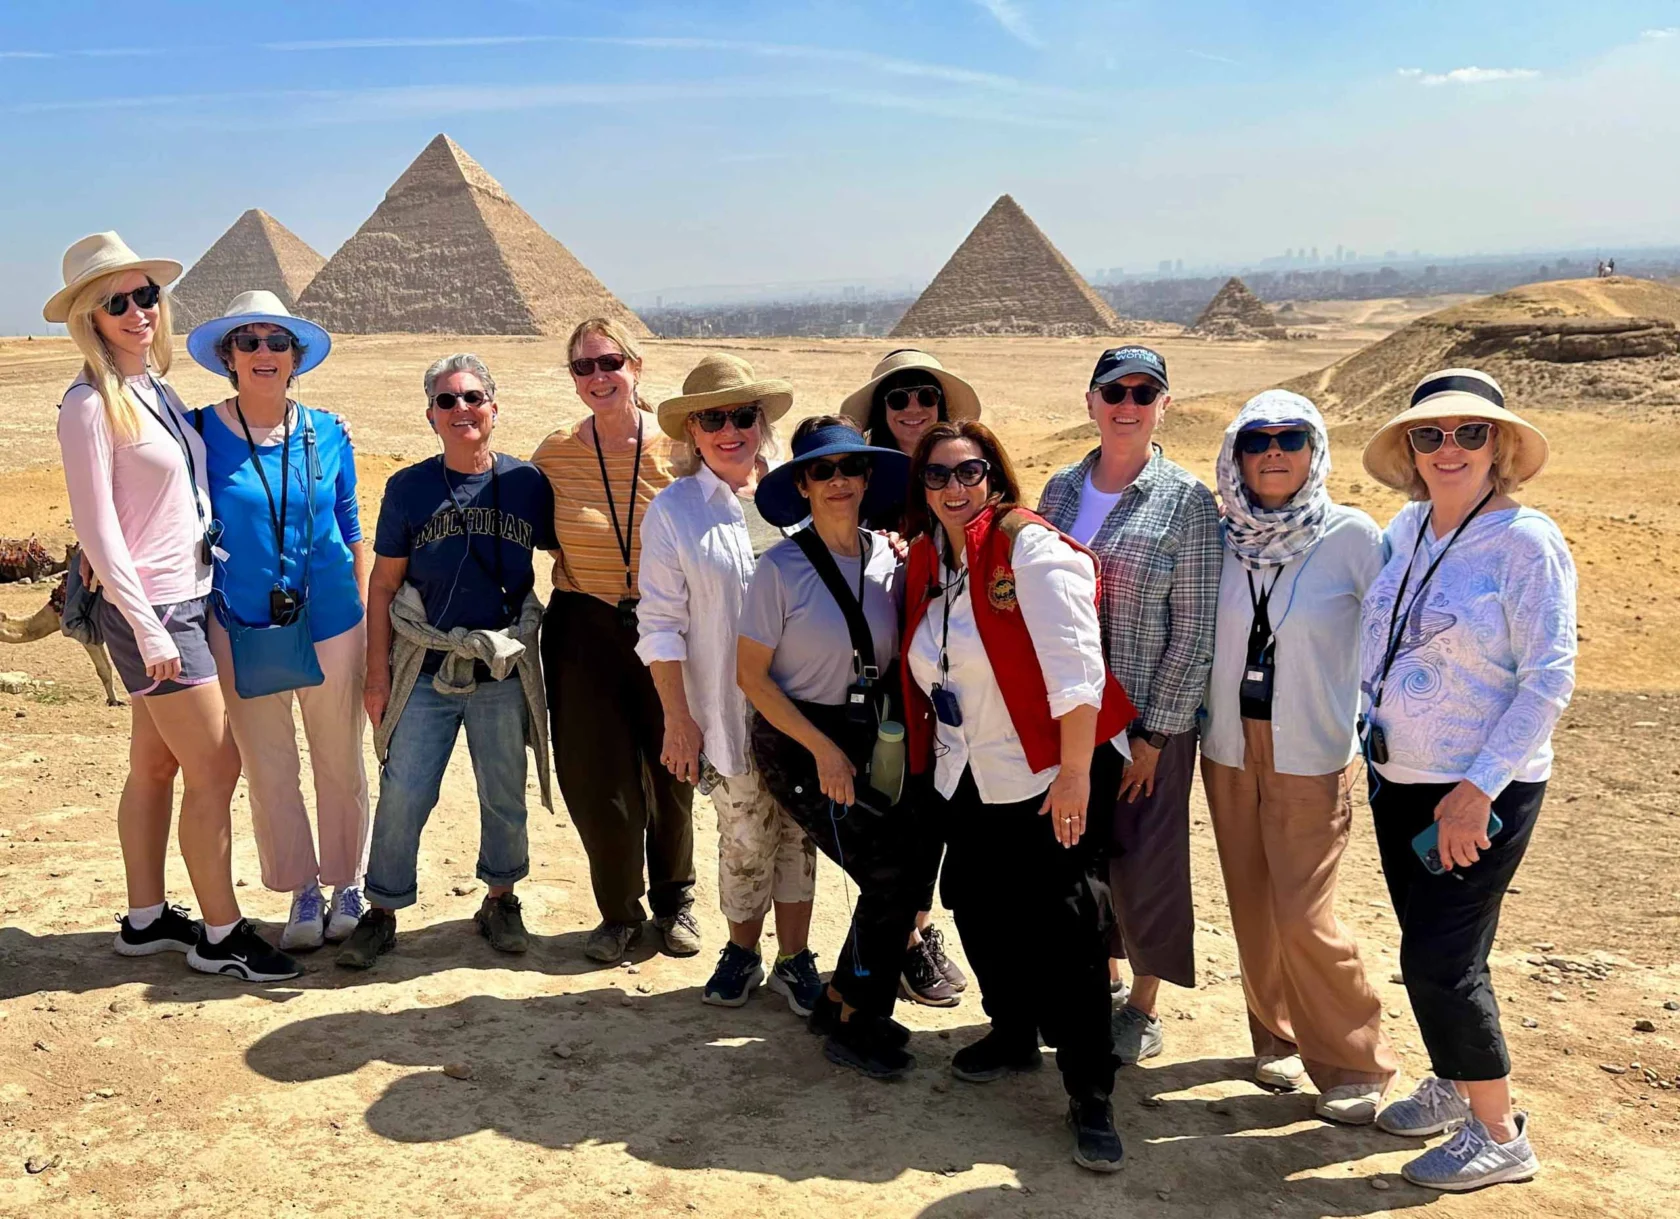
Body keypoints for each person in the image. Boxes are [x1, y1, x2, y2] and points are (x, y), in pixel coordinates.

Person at [48, 231, 299, 982]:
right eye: (115, 301)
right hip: (153, 612)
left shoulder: (151, 390)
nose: (137, 312)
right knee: (217, 767)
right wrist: (147, 625)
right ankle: (222, 934)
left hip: (187, 598)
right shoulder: (90, 404)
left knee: (154, 762)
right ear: (89, 316)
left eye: (145, 295)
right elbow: (96, 530)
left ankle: (145, 917)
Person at [1357, 368, 1576, 1191]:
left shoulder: (1527, 541)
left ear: (1502, 446)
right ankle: (1454, 1079)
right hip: (1400, 777)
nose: (1449, 448)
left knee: (1444, 961)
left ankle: (1499, 1132)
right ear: (1410, 451)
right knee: (1434, 948)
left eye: (1470, 433)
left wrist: (1478, 789)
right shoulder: (1407, 528)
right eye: (1430, 434)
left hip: (1478, 789)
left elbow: (1549, 678)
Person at [901, 420, 1135, 1173]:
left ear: (994, 476)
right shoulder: (935, 561)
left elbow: (1078, 672)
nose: (953, 488)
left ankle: (1090, 1092)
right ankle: (1011, 1029)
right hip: (965, 769)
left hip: (1041, 775)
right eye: (936, 476)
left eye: (967, 472)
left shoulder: (1027, 547)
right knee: (975, 897)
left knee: (1067, 924)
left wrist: (1073, 776)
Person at [1199, 390, 1398, 1123]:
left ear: (1314, 452)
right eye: (1258, 440)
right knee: (1251, 904)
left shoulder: (1350, 536)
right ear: (1237, 455)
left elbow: (1391, 635)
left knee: (1304, 913)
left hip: (1311, 749)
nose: (1274, 452)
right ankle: (1273, 1033)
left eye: (1291, 438)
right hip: (1226, 746)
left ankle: (1355, 1060)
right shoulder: (1219, 537)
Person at [337, 354, 557, 969]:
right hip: (428, 667)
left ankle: (500, 899)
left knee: (503, 792)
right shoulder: (408, 489)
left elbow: (575, 549)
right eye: (447, 401)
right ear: (431, 416)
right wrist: (376, 674)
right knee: (405, 790)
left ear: (494, 405)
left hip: (501, 666)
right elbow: (382, 586)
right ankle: (380, 910)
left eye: (472, 398)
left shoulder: (527, 485)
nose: (461, 410)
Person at [1037, 345, 1220, 1064]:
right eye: (1114, 389)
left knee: (1145, 864)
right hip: (1073, 719)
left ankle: (1143, 1004)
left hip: (1147, 720)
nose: (1127, 403)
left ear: (1164, 406)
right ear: (1090, 401)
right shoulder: (1059, 489)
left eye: (1145, 392)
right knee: (1077, 857)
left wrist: (1156, 736)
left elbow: (1195, 627)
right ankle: (1099, 979)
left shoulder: (1187, 501)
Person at [738, 415, 935, 1079]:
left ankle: (838, 997)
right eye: (822, 470)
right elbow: (752, 677)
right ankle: (859, 1022)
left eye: (850, 467)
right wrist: (822, 750)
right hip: (800, 743)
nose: (839, 480)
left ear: (868, 475)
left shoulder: (889, 557)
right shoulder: (781, 567)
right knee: (885, 872)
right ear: (803, 485)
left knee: (908, 863)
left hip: (869, 736)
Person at [183, 291, 371, 953]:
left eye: (276, 342)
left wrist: (367, 621)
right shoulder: (200, 432)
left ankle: (348, 880)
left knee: (338, 757)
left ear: (296, 358)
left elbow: (351, 529)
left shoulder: (331, 432)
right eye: (249, 341)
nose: (264, 353)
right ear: (229, 357)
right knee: (268, 765)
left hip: (332, 621)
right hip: (241, 627)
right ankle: (301, 888)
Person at [635, 354, 823, 1011]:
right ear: (691, 430)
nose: (729, 429)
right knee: (744, 836)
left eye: (742, 415)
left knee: (800, 833)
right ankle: (742, 951)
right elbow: (658, 623)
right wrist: (677, 718)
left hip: (804, 704)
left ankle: (796, 958)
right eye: (711, 418)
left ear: (762, 423)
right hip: (725, 706)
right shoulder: (675, 511)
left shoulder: (799, 497)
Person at [534, 318, 697, 965]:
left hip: (666, 628)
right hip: (584, 626)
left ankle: (676, 899)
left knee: (674, 768)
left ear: (636, 365)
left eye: (608, 362)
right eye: (583, 367)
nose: (598, 377)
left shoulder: (681, 453)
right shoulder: (553, 455)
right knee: (596, 776)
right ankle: (618, 911)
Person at [839, 348, 980, 1006]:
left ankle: (913, 933)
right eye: (898, 398)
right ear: (879, 412)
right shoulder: (860, 478)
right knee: (895, 809)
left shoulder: (961, 472)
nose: (915, 407)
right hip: (883, 673)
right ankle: (904, 941)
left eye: (926, 395)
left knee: (933, 812)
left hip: (953, 674)